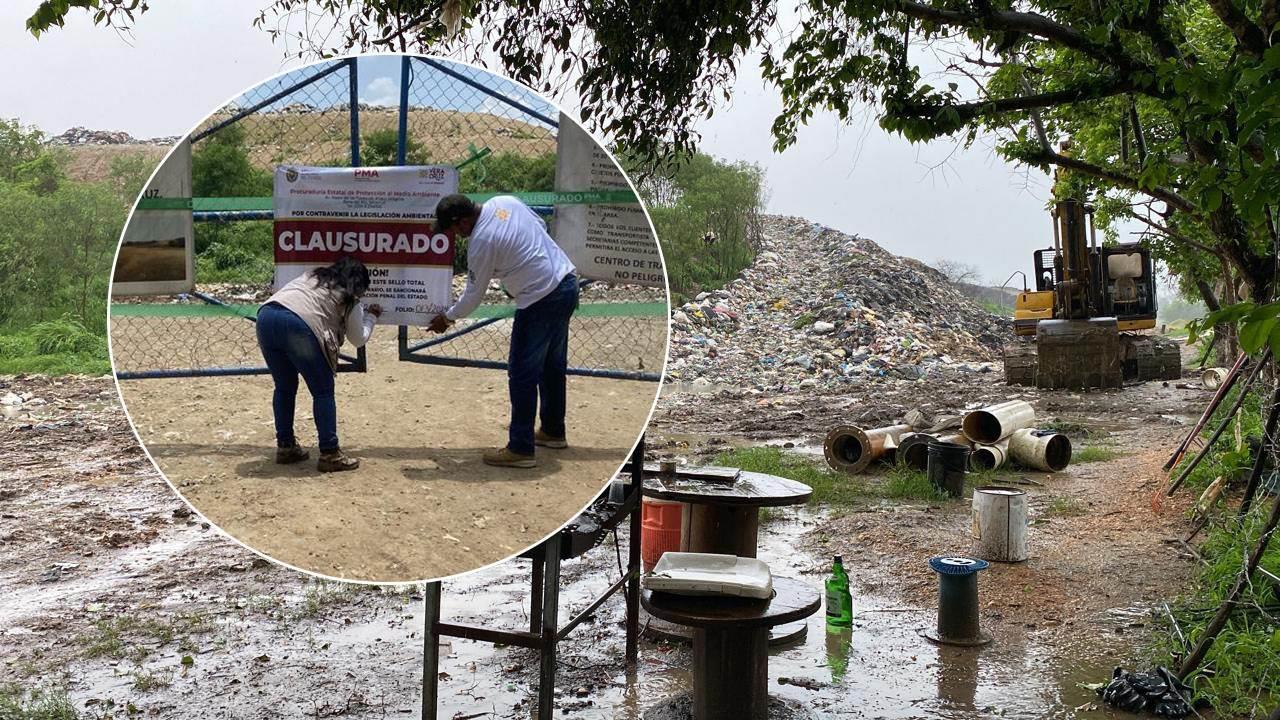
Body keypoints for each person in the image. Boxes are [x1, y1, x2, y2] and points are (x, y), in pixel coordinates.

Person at [428, 193, 578, 469]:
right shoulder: (504, 202)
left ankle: (521, 448)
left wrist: (447, 318)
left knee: (522, 374)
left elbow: (473, 296)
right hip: (566, 282)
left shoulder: (482, 241)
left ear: (461, 222)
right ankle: (553, 431)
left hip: (539, 299)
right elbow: (539, 227)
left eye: (451, 230)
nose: (454, 236)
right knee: (551, 366)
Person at [256, 256, 381, 472]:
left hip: (266, 317)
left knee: (284, 387)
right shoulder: (349, 300)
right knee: (323, 391)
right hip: (297, 325)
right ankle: (330, 453)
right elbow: (358, 338)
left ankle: (285, 446)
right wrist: (371, 318)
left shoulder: (312, 276)